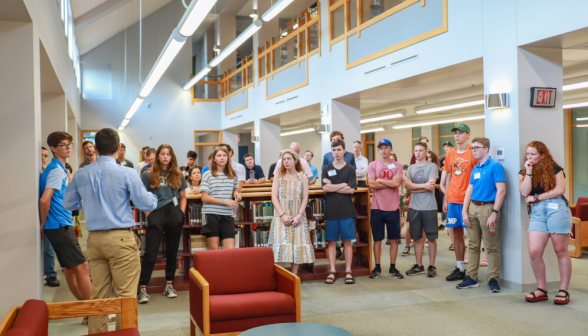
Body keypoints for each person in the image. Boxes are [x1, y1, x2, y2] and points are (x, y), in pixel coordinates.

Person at [64, 128, 158, 334]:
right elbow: (146, 204)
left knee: (99, 296)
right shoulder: (126, 172)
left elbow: (69, 203)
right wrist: (154, 197)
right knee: (125, 297)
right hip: (121, 239)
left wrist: (88, 200)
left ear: (95, 148)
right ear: (118, 149)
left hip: (95, 240)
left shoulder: (81, 173)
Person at [40, 132, 93, 314]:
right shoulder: (55, 170)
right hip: (59, 225)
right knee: (82, 267)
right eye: (63, 145)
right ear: (53, 148)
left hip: (59, 224)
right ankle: (95, 311)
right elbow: (44, 200)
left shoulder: (60, 168)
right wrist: (43, 224)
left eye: (69, 144)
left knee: (70, 270)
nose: (68, 147)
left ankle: (86, 308)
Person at [519, 141, 572, 305]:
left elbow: (559, 190)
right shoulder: (524, 171)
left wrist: (536, 198)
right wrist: (528, 172)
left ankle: (564, 290)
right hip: (538, 212)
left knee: (560, 250)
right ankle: (541, 289)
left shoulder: (556, 169)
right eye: (528, 154)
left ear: (542, 155)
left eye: (533, 154)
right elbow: (524, 192)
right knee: (534, 251)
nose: (529, 157)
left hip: (557, 208)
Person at [138, 144, 188, 304]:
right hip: (156, 212)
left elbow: (183, 197)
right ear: (158, 156)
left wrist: (180, 213)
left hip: (173, 212)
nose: (165, 156)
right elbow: (142, 197)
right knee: (151, 251)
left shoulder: (178, 174)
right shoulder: (148, 174)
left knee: (172, 251)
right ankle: (143, 287)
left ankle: (169, 284)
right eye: (162, 154)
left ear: (171, 156)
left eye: (168, 154)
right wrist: (149, 214)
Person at [457, 137, 506, 292]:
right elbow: (469, 190)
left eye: (477, 147)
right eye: (473, 148)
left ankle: (493, 278)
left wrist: (494, 213)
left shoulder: (495, 166)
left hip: (487, 208)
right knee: (472, 245)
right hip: (473, 207)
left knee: (491, 247)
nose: (474, 150)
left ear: (486, 149)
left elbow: (502, 190)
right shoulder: (476, 168)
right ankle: (471, 277)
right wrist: (465, 211)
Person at [268, 149, 315, 275]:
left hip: (298, 216)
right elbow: (274, 197)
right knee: (281, 247)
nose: (286, 162)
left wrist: (299, 216)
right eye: (284, 159)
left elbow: (305, 198)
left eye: (289, 159)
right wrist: (282, 215)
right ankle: (281, 277)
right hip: (281, 216)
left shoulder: (303, 177)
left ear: (295, 160)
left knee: (297, 248)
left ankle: (294, 277)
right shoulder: (278, 176)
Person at [442, 124, 477, 281]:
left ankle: (474, 271)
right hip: (453, 199)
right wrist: (446, 198)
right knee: (456, 235)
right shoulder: (450, 154)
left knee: (474, 235)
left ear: (468, 135)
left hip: (469, 199)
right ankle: (460, 268)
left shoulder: (473, 152)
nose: (457, 136)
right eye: (455, 133)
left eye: (460, 133)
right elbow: (449, 177)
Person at [367, 139, 404, 279]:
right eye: (381, 148)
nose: (383, 151)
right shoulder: (373, 165)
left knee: (394, 239)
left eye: (386, 148)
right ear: (378, 150)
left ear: (391, 149)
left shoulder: (398, 165)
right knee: (377, 240)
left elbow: (397, 183)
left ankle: (393, 268)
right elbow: (371, 184)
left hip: (393, 207)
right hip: (377, 207)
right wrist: (389, 182)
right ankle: (377, 268)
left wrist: (380, 180)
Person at [322, 139, 357, 285]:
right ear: (332, 152)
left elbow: (351, 189)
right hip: (331, 210)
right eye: (334, 150)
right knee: (332, 242)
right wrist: (343, 185)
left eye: (339, 150)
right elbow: (325, 188)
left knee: (347, 242)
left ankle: (348, 270)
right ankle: (332, 270)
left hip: (347, 210)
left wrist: (333, 186)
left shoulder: (350, 169)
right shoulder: (326, 168)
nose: (336, 152)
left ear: (344, 151)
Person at [404, 141, 439, 277]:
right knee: (417, 238)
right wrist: (423, 187)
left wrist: (415, 187)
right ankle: (419, 265)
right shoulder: (411, 168)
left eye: (420, 150)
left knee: (431, 238)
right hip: (414, 207)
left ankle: (432, 266)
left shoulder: (432, 166)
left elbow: (431, 185)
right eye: (416, 151)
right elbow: (407, 185)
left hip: (429, 207)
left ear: (426, 152)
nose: (417, 153)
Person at [200, 147, 242, 250]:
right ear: (214, 159)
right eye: (219, 156)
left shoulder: (233, 174)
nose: (222, 158)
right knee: (214, 249)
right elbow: (204, 198)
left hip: (227, 214)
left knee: (230, 249)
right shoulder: (207, 175)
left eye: (224, 155)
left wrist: (236, 193)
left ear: (228, 158)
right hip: (211, 214)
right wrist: (224, 202)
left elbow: (234, 189)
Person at [41, 146, 60, 288]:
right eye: (41, 155)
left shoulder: (49, 171)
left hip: (48, 215)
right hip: (38, 214)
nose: (43, 158)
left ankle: (50, 275)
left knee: (48, 249)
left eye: (45, 155)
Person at [427, 152, 444, 229]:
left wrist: (431, 185)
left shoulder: (438, 171)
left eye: (429, 157)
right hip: (424, 196)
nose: (427, 159)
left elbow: (442, 186)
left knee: (433, 215)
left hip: (435, 195)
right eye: (426, 157)